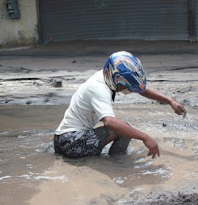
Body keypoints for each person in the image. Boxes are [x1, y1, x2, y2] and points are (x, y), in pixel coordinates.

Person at [54, 51, 187, 159]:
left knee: (123, 129)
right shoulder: (99, 88)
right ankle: (119, 163)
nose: (127, 90)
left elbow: (140, 89)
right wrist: (145, 137)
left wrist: (170, 101)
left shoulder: (105, 75)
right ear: (116, 79)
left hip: (61, 139)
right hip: (72, 142)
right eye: (125, 86)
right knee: (124, 130)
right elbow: (110, 122)